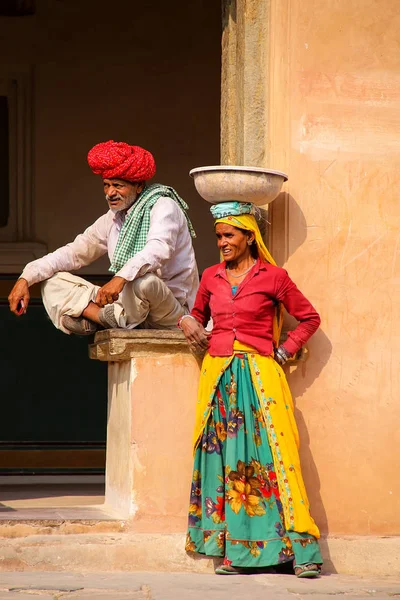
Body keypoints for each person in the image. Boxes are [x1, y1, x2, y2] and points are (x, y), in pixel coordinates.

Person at [180, 201, 323, 577]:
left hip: (261, 378)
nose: (223, 243)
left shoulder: (274, 277)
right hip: (218, 380)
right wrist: (188, 323)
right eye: (218, 237)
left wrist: (284, 350)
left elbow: (309, 318)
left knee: (276, 459)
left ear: (249, 237)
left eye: (229, 236)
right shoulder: (211, 277)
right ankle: (236, 553)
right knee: (226, 464)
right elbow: (197, 315)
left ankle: (302, 552)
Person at [8, 140, 198, 334]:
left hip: (170, 314)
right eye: (106, 185)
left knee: (144, 281)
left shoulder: (164, 206)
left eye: (117, 185)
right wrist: (26, 278)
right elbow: (74, 253)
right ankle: (103, 317)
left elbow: (158, 249)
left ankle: (100, 318)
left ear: (139, 185)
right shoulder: (113, 218)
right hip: (125, 306)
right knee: (51, 282)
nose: (110, 193)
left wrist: (120, 278)